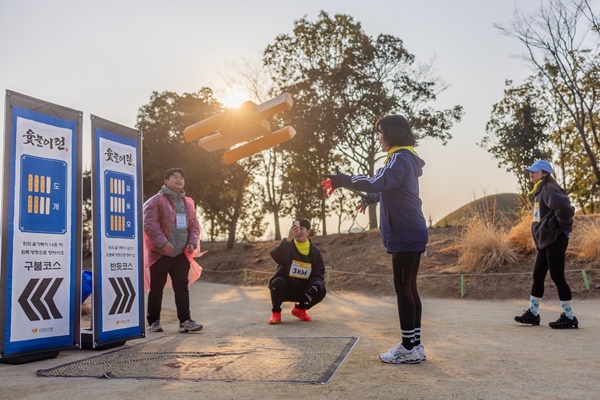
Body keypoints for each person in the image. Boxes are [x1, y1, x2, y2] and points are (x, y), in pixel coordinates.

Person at [321, 114, 428, 364]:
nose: (379, 137)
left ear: (391, 134)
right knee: (410, 288)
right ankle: (415, 345)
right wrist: (370, 199)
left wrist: (343, 180)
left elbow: (379, 182)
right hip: (412, 230)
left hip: (404, 232)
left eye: (381, 132)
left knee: (404, 289)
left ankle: (408, 348)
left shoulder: (399, 158)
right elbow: (391, 189)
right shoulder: (405, 158)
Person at [514, 160, 578, 329]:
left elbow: (566, 208)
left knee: (557, 277)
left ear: (544, 173)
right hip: (546, 240)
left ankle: (569, 317)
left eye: (535, 171)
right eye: (530, 171)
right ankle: (533, 314)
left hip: (555, 238)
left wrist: (562, 228)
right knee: (538, 275)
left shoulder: (549, 189)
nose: (531, 173)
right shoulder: (541, 189)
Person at [144, 168, 203, 333]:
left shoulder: (188, 203)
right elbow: (149, 223)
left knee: (182, 288)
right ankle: (154, 321)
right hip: (160, 254)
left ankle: (185, 321)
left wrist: (192, 243)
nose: (179, 180)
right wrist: (162, 243)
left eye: (181, 178)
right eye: (174, 177)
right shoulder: (156, 201)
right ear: (166, 181)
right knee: (157, 288)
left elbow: (194, 225)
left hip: (181, 253)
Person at [267, 218, 327, 324]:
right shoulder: (287, 245)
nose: (298, 232)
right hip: (286, 288)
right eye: (295, 229)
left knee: (321, 290)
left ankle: (300, 309)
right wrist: (288, 239)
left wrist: (315, 286)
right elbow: (278, 257)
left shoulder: (315, 252)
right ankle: (276, 313)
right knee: (277, 282)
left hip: (304, 290)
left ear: (308, 232)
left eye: (302, 228)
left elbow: (318, 273)